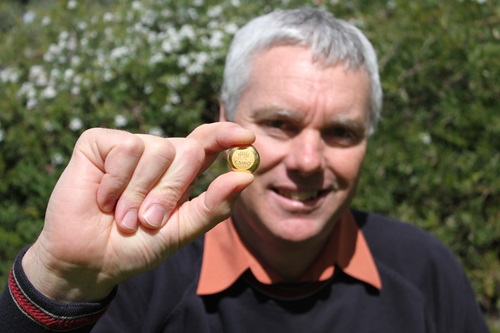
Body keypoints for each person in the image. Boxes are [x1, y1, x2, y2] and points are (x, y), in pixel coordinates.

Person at [0, 7, 489, 333]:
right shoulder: (134, 272)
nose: (307, 162)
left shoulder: (425, 273)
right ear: (224, 120)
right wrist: (59, 280)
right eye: (279, 124)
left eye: (341, 133)